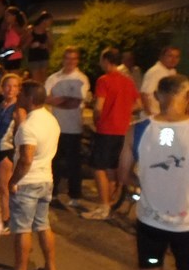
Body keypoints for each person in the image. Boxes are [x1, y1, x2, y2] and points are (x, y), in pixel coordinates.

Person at [119, 74, 189, 270]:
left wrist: (142, 188)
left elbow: (123, 174)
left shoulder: (137, 129)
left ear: (158, 96)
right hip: (187, 224)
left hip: (150, 220)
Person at [2, 81, 60, 270]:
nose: (18, 97)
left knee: (22, 229)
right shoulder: (51, 120)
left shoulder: (29, 126)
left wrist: (13, 181)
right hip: (46, 179)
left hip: (27, 182)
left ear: (30, 98)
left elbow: (26, 159)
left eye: (22, 94)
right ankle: (51, 269)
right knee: (43, 224)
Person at [82, 48, 140, 220]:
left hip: (107, 129)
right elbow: (139, 104)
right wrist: (123, 111)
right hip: (123, 130)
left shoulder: (104, 80)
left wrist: (97, 119)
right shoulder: (128, 81)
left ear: (106, 60)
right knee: (112, 167)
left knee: (98, 167)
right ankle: (111, 203)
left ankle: (104, 205)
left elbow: (98, 107)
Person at [45, 47, 91, 206]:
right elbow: (46, 98)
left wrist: (57, 100)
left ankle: (75, 195)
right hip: (55, 127)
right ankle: (53, 193)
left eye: (74, 58)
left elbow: (76, 102)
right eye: (68, 58)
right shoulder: (53, 78)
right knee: (54, 162)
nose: (70, 62)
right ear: (63, 59)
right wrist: (66, 99)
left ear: (77, 60)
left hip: (73, 127)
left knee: (74, 163)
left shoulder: (82, 78)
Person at [0, 73, 23, 228]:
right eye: (8, 86)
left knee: (4, 187)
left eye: (14, 86)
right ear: (2, 88)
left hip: (6, 150)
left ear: (19, 89)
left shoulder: (18, 109)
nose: (10, 89)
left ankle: (6, 220)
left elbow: (22, 133)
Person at [140, 46, 181, 118]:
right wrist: (150, 116)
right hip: (154, 115)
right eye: (170, 56)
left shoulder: (172, 71)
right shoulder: (155, 71)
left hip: (164, 115)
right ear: (161, 57)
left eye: (176, 57)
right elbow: (144, 94)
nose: (173, 59)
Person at [24, 11, 53, 83]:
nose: (50, 23)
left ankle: (43, 89)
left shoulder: (47, 32)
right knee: (36, 78)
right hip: (33, 56)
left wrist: (45, 46)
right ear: (44, 20)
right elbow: (25, 43)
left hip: (44, 56)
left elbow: (51, 44)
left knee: (44, 77)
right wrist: (31, 44)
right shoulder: (31, 29)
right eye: (49, 21)